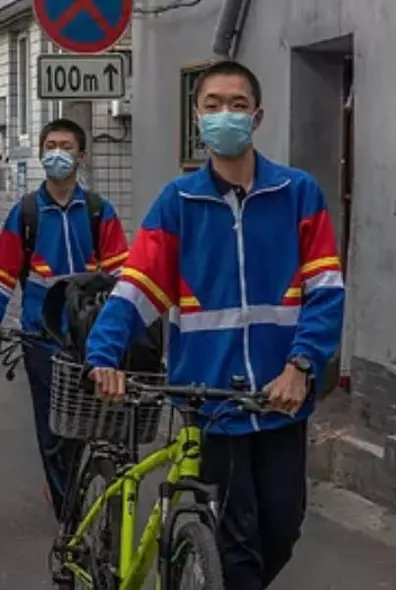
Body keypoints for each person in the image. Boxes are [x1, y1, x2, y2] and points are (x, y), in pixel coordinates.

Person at [85, 60, 345, 590]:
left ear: (258, 116)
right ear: (196, 118)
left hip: (280, 398)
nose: (224, 115)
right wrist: (103, 352)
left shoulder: (298, 194)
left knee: (284, 528)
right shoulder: (178, 203)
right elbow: (137, 287)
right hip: (210, 400)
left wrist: (302, 365)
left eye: (237, 105)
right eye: (212, 105)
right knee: (235, 543)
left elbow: (325, 292)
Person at [0, 118, 129, 517]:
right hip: (42, 338)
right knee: (54, 427)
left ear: (81, 156)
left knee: (95, 422)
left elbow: (121, 276)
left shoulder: (98, 211)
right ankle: (67, 511)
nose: (58, 153)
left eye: (66, 146)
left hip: (92, 338)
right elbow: (1, 273)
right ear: (42, 154)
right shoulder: (25, 213)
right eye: (51, 145)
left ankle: (87, 485)